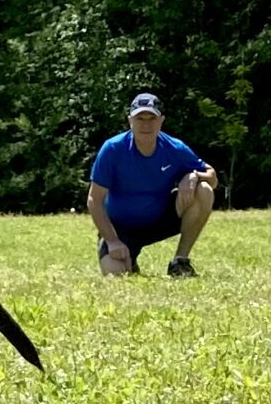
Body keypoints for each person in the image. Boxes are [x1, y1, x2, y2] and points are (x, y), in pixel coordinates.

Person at [87, 93, 217, 277]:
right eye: (140, 118)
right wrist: (113, 241)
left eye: (152, 118)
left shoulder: (175, 148)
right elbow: (94, 199)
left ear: (161, 120)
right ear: (130, 120)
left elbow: (212, 177)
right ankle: (128, 259)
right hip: (121, 228)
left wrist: (194, 175)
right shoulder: (113, 149)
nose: (146, 124)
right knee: (115, 274)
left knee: (204, 190)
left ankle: (180, 262)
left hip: (159, 219)